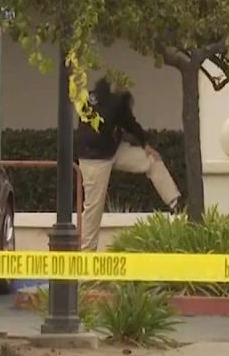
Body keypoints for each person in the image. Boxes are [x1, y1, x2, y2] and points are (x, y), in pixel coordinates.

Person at [76, 77, 183, 252]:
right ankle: (86, 254)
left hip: (110, 150)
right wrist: (145, 143)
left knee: (151, 161)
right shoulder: (118, 102)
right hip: (94, 160)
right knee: (94, 208)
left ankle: (175, 203)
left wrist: (146, 147)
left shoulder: (90, 97)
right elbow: (130, 124)